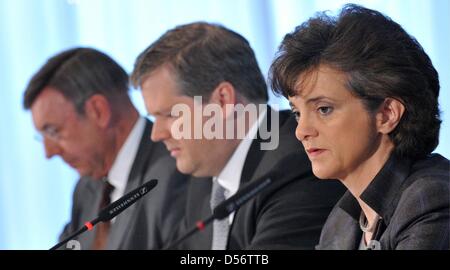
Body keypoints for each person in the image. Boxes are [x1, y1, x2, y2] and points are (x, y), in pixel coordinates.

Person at [131, 22, 345, 250]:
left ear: (223, 100)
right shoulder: (205, 180)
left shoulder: (297, 164)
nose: (156, 134)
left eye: (171, 114)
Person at [270, 4, 450, 250]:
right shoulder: (341, 222)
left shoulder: (432, 199)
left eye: (324, 109)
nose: (301, 131)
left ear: (387, 115)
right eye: (297, 112)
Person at [23, 48, 187, 250]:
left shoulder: (177, 171)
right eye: (43, 137)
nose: (49, 152)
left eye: (54, 132)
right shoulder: (87, 188)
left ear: (98, 111)